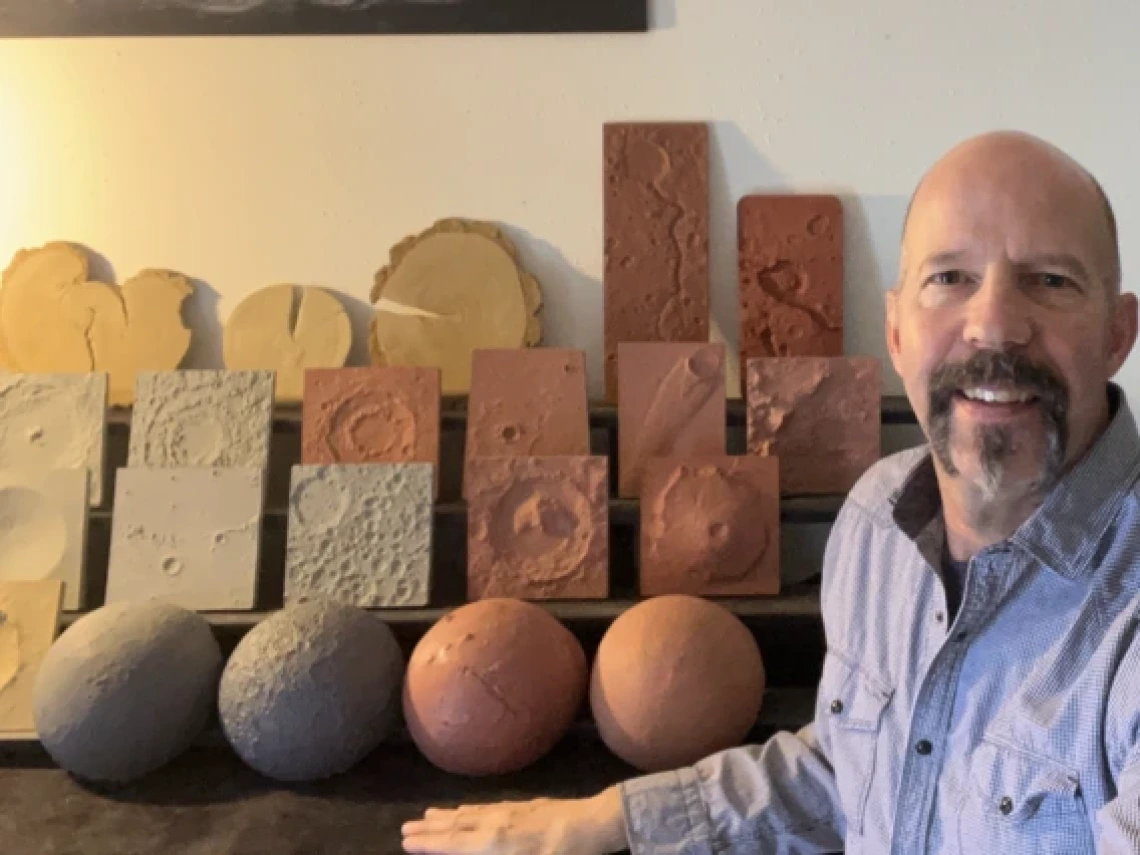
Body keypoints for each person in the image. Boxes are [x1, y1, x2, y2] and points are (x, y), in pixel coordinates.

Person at [400, 129, 1140, 854]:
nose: (995, 325)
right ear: (895, 331)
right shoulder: (878, 521)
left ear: (1117, 333)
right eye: (949, 277)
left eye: (1050, 280)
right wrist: (611, 822)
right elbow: (855, 772)